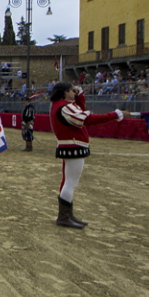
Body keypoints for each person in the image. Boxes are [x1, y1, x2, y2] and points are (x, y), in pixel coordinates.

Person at [49, 82, 121, 229]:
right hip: (74, 145)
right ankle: (64, 216)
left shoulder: (60, 105)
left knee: (68, 181)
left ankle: (66, 214)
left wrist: (80, 96)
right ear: (65, 92)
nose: (74, 93)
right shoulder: (64, 107)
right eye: (72, 91)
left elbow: (80, 112)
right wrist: (114, 115)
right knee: (70, 183)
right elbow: (87, 119)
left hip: (70, 145)